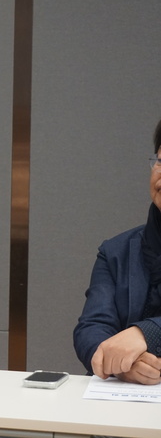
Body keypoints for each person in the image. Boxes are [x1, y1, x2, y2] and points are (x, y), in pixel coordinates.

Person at [74, 117, 161, 385]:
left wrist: (145, 333)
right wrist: (120, 366)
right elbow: (91, 327)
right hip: (122, 400)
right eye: (160, 161)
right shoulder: (116, 251)